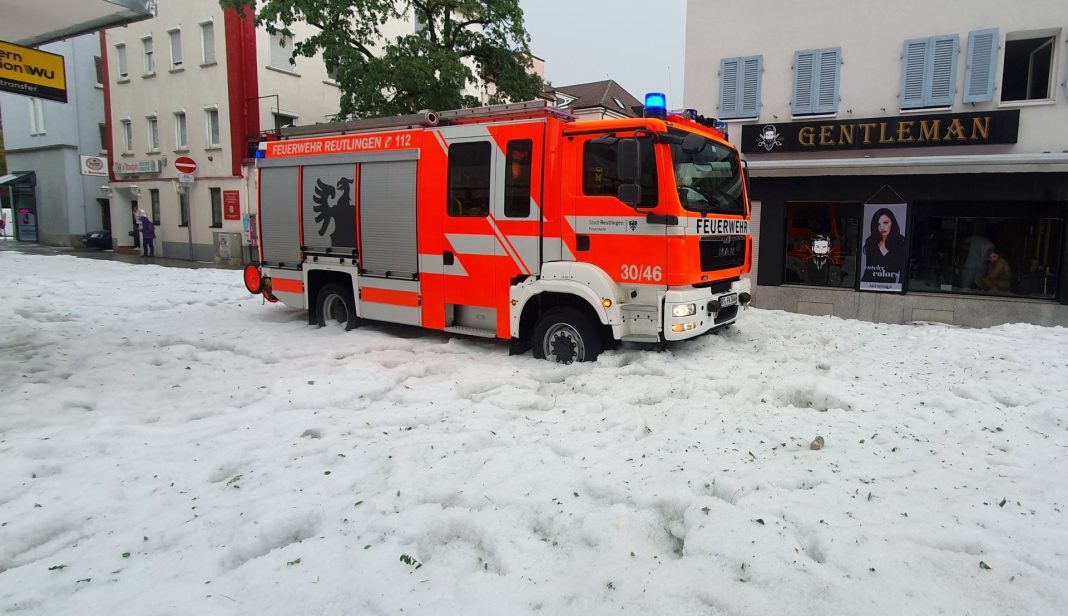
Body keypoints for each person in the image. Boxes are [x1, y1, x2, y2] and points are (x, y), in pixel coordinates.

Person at [861, 208, 906, 284]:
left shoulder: (900, 242)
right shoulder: (871, 242)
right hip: (871, 286)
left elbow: (903, 271)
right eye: (878, 224)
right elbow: (868, 269)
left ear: (892, 223)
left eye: (885, 222)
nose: (882, 227)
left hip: (891, 288)